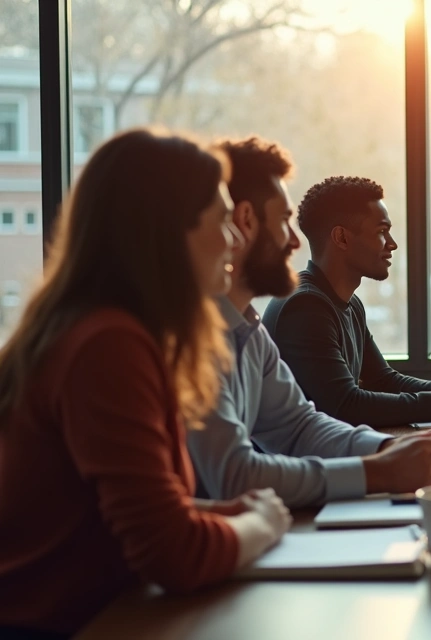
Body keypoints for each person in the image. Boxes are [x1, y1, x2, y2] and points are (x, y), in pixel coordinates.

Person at [0, 129, 291, 637]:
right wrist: (262, 527)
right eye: (222, 221)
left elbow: (116, 512)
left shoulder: (110, 332)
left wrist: (220, 513)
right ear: (169, 230)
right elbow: (171, 554)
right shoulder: (106, 345)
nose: (233, 240)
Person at [188, 138, 431, 509]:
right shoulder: (189, 340)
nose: (296, 242)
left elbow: (300, 426)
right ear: (246, 221)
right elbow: (232, 477)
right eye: (284, 221)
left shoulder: (249, 330)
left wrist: (387, 448)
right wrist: (378, 471)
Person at [263, 176, 431, 429]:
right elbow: (345, 406)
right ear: (341, 238)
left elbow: (383, 380)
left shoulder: (349, 304)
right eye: (382, 232)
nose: (392, 244)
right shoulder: (305, 308)